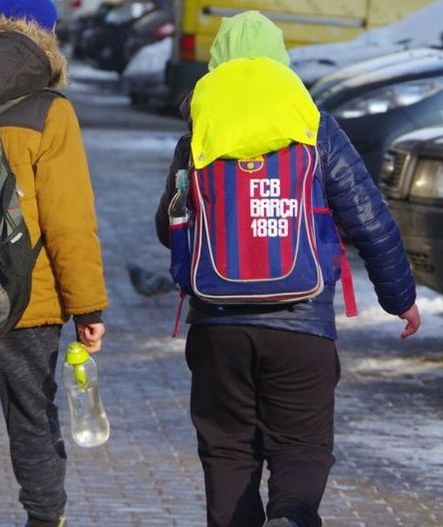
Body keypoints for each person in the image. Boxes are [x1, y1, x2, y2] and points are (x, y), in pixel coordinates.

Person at [154, 12, 421, 527]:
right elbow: (370, 220)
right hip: (304, 323)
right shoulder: (315, 129)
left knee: (229, 451)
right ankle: (293, 518)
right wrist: (400, 298)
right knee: (301, 446)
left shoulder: (200, 135)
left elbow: (171, 227)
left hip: (219, 325)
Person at [0, 1, 108, 526]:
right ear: (46, 36)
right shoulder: (50, 111)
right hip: (27, 301)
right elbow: (68, 220)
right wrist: (88, 306)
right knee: (33, 415)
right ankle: (44, 516)